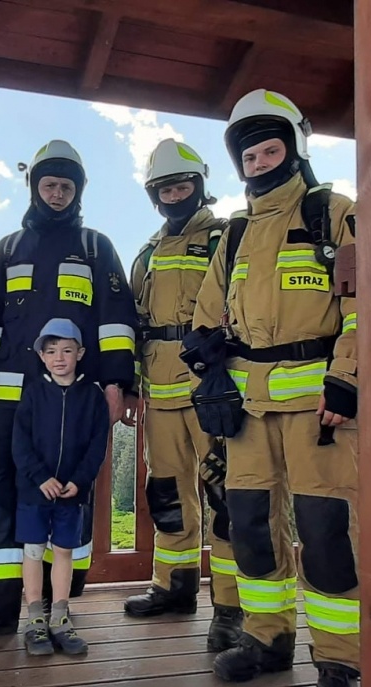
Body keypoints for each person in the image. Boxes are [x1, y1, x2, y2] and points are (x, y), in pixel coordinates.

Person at [190, 89, 362, 687]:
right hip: (247, 413)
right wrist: (206, 366)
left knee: (326, 536)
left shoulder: (335, 215)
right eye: (250, 155)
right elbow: (207, 318)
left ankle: (341, 665)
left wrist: (348, 379)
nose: (260, 162)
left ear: (294, 149)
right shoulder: (233, 236)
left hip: (322, 410)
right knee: (250, 531)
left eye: (271, 149)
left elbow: (363, 306)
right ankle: (268, 636)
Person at [0, 140, 139, 644]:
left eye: (66, 186)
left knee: (68, 489)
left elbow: (116, 322)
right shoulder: (6, 249)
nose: (56, 193)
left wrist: (117, 383)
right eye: (48, 184)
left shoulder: (96, 248)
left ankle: (55, 606)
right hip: (11, 398)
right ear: (34, 188)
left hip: (75, 399)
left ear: (77, 193)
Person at [123, 138, 242, 651]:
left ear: (199, 185)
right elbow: (133, 323)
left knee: (225, 494)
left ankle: (232, 606)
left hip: (212, 387)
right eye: (165, 187)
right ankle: (174, 587)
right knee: (167, 493)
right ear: (154, 195)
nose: (174, 193)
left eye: (182, 184)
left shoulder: (226, 237)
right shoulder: (146, 252)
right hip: (159, 389)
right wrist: (131, 384)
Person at [14, 319, 110, 655]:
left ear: (80, 353)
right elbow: (20, 443)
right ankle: (35, 620)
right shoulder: (32, 392)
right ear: (41, 355)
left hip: (72, 492)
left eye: (67, 350)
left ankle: (59, 617)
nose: (59, 358)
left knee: (65, 552)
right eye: (51, 351)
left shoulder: (93, 396)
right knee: (34, 551)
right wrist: (40, 477)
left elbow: (98, 445)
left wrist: (79, 480)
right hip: (34, 491)